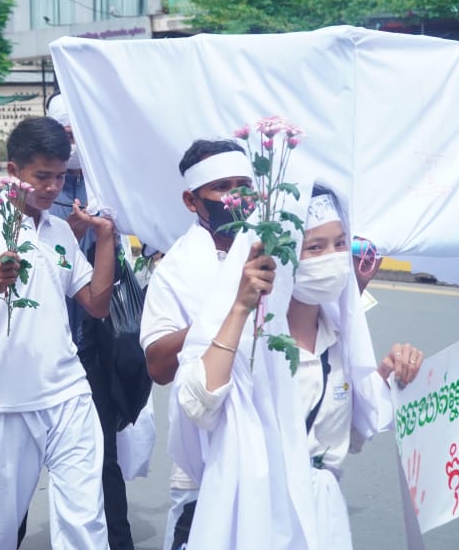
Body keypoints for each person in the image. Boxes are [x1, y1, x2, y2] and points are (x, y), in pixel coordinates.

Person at [175, 187, 421, 550]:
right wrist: (241, 309)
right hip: (256, 515)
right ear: (282, 255)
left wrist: (387, 375)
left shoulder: (339, 338)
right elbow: (198, 404)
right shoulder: (250, 337)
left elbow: (349, 436)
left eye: (340, 244)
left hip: (323, 521)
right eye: (315, 247)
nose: (333, 258)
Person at [0, 116, 116, 550]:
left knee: (83, 520)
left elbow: (96, 305)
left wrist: (106, 240)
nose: (51, 187)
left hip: (69, 396)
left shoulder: (60, 230)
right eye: (41, 176)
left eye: (60, 176)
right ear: (13, 171)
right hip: (8, 403)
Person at [138, 139, 255, 550]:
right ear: (192, 200)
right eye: (223, 187)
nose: (237, 197)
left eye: (244, 184)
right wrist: (222, 316)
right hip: (202, 450)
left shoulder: (273, 249)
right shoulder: (175, 270)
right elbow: (158, 366)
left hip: (267, 443)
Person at [45, 94, 136, 550]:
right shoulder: (35, 197)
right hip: (43, 347)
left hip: (92, 344)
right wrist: (69, 235)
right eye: (64, 134)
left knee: (104, 453)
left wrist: (108, 235)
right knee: (20, 464)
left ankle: (118, 541)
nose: (73, 144)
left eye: (80, 133)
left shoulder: (106, 188)